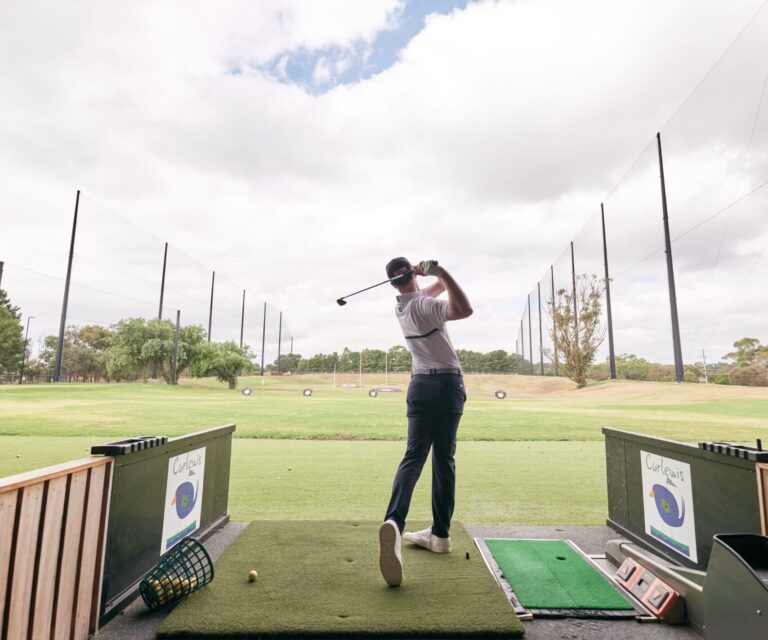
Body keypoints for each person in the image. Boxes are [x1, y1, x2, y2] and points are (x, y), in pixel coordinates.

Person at [378, 257, 473, 587]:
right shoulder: (426, 307)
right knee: (444, 459)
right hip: (447, 385)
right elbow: (464, 309)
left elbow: (435, 288)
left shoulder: (403, 307)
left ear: (393, 283)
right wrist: (442, 271)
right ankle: (441, 534)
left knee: (413, 457)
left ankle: (394, 521)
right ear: (410, 275)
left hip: (420, 385)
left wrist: (433, 274)